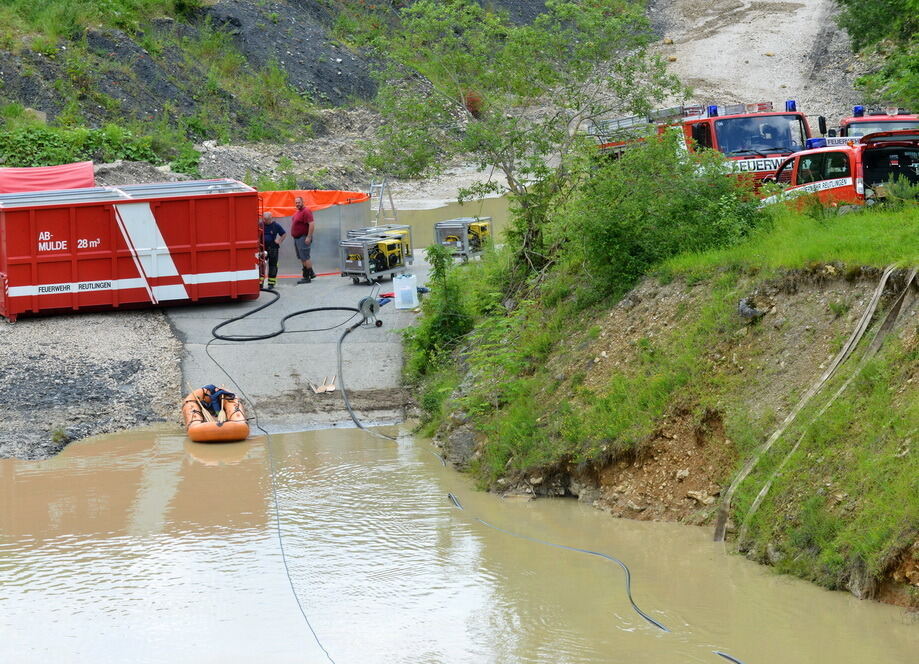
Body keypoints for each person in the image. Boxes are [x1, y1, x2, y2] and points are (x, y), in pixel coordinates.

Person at [290, 196, 315, 284]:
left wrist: (308, 237)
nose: (297, 204)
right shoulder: (298, 212)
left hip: (303, 237)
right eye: (296, 203)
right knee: (301, 257)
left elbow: (311, 224)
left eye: (299, 202)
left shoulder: (306, 211)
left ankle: (306, 277)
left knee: (305, 257)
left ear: (302, 202)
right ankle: (311, 273)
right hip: (297, 238)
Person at [260, 211, 286, 290]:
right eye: (264, 219)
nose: (265, 221)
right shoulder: (260, 225)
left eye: (266, 219)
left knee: (273, 266)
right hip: (262, 248)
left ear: (271, 218)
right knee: (261, 265)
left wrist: (279, 241)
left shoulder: (276, 225)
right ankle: (260, 283)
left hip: (273, 248)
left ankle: (271, 283)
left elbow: (284, 234)